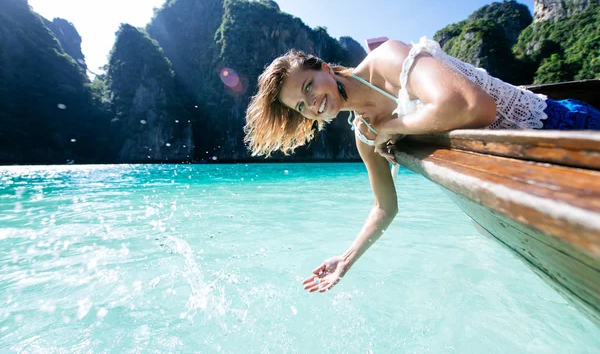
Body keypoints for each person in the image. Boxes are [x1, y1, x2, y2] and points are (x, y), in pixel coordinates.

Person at [243, 36, 600, 293]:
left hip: (565, 132)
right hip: (530, 176)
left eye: (308, 86)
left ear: (323, 68)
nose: (312, 103)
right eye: (301, 107)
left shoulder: (386, 61)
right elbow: (384, 206)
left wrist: (393, 128)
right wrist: (346, 258)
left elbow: (472, 106)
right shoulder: (364, 134)